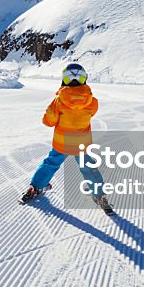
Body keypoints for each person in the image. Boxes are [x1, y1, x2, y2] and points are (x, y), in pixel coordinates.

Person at [20, 63, 113, 213]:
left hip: (62, 142)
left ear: (65, 80)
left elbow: (48, 121)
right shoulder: (92, 102)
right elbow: (91, 114)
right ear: (84, 80)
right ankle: (100, 196)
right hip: (81, 143)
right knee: (88, 168)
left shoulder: (59, 101)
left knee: (51, 163)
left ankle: (35, 187)